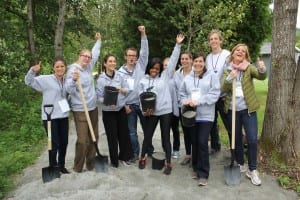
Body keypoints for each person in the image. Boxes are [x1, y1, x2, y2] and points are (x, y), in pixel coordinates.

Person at [138, 33, 185, 175]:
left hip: (165, 111)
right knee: (147, 136)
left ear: (160, 70)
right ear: (149, 68)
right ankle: (143, 157)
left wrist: (178, 45)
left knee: (166, 138)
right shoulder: (143, 81)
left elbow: (172, 61)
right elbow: (140, 98)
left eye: (157, 69)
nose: (155, 70)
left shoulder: (164, 77)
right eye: (153, 68)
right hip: (151, 112)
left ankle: (169, 162)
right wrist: (143, 110)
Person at [221, 43, 267, 186]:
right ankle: (240, 163)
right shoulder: (227, 69)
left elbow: (261, 76)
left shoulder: (248, 68)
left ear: (245, 56)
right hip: (232, 110)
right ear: (233, 53)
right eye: (238, 50)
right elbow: (223, 87)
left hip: (248, 110)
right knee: (237, 138)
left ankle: (252, 169)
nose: (240, 52)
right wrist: (230, 78)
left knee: (252, 139)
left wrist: (262, 68)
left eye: (243, 51)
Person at [179, 52, 220, 186]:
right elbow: (181, 94)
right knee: (195, 142)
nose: (197, 64)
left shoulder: (212, 76)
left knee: (202, 142)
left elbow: (214, 94)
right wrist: (186, 101)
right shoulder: (188, 78)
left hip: (206, 116)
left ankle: (204, 174)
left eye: (200, 61)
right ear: (193, 62)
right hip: (192, 116)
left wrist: (199, 101)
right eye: (195, 61)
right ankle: (196, 168)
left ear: (204, 63)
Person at [25, 57, 70, 174]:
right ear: (53, 68)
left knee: (64, 142)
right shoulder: (46, 79)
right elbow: (28, 81)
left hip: (63, 116)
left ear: (65, 67)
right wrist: (32, 71)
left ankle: (61, 166)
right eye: (57, 66)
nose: (60, 68)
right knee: (54, 143)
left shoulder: (67, 80)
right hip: (49, 117)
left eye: (62, 66)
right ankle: (53, 166)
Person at [65, 32, 102, 173]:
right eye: (84, 56)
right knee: (82, 140)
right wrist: (74, 80)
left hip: (92, 108)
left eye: (88, 57)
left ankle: (91, 164)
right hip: (80, 110)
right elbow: (68, 89)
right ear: (79, 57)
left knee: (94, 137)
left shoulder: (88, 67)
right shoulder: (73, 70)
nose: (87, 58)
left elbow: (95, 53)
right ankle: (78, 166)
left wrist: (98, 41)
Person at [118, 25, 152, 161]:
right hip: (129, 106)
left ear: (136, 57)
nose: (132, 58)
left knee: (147, 129)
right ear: (125, 57)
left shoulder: (141, 66)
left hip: (142, 104)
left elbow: (145, 51)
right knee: (132, 132)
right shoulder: (120, 72)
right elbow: (119, 91)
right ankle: (136, 153)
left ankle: (149, 150)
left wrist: (143, 34)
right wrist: (124, 105)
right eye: (129, 55)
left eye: (134, 56)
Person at [96, 54, 133, 167]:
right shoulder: (101, 79)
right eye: (110, 61)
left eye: (114, 61)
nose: (112, 63)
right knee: (112, 137)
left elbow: (127, 90)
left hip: (120, 110)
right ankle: (114, 161)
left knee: (123, 135)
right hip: (108, 112)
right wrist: (107, 102)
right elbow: (98, 97)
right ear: (105, 64)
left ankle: (124, 158)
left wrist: (121, 89)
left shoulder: (120, 76)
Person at [206, 29, 231, 154]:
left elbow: (228, 74)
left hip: (223, 96)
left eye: (216, 38)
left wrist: (221, 90)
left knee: (228, 123)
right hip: (211, 96)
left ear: (220, 40)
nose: (213, 41)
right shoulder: (208, 57)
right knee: (212, 122)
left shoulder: (227, 55)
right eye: (211, 39)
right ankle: (215, 146)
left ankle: (235, 150)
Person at [173, 51, 194, 165]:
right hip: (182, 107)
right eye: (182, 59)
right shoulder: (177, 74)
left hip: (194, 106)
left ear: (191, 60)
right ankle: (188, 154)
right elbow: (176, 90)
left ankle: (196, 155)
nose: (184, 61)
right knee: (186, 131)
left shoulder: (196, 73)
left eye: (187, 58)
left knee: (194, 131)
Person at [163, 57, 180, 159]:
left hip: (175, 109)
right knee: (165, 131)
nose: (167, 67)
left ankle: (176, 149)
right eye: (165, 65)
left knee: (175, 130)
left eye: (169, 65)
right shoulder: (161, 78)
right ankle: (166, 149)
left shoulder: (177, 77)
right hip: (165, 109)